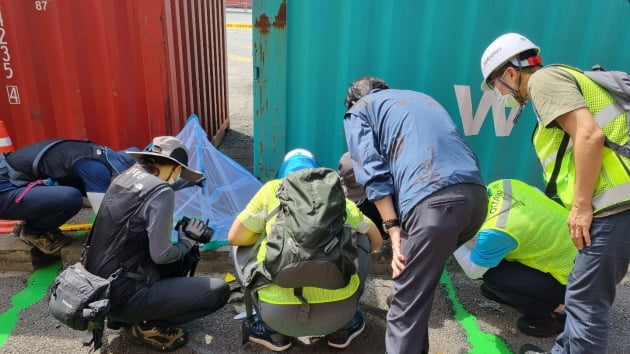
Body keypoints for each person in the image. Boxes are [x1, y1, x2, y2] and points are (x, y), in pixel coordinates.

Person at [479, 33, 630, 354]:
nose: (501, 94)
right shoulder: (556, 82)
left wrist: (581, 207)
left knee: (587, 306)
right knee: (580, 297)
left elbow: (589, 136)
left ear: (510, 73)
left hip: (613, 206)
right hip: (614, 205)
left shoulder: (545, 81)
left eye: (497, 86)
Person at [343, 76, 488, 354]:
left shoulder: (358, 110)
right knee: (414, 293)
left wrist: (393, 229)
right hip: (474, 198)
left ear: (352, 101)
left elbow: (370, 169)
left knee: (404, 309)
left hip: (435, 206)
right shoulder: (421, 99)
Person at [84, 136, 230, 352]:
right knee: (219, 290)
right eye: (179, 172)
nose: (178, 177)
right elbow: (161, 254)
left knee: (180, 258)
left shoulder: (124, 177)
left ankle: (125, 317)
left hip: (98, 288)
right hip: (123, 292)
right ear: (173, 167)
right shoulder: (162, 191)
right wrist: (186, 241)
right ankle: (143, 323)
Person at [228, 148, 383, 352]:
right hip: (339, 313)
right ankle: (343, 330)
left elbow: (234, 237)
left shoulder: (271, 190)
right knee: (362, 238)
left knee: (239, 245)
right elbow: (378, 242)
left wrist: (269, 235)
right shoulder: (336, 197)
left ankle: (273, 334)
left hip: (277, 315)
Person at [453, 179, 577, 338]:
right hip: (587, 257)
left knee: (492, 274)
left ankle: (556, 313)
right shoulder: (501, 185)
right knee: (493, 258)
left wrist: (452, 239)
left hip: (575, 284)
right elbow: (537, 193)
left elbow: (473, 272)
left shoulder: (494, 230)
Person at [0, 138, 139, 254]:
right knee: (70, 198)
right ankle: (33, 231)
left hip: (16, 176)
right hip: (6, 190)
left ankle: (31, 220)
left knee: (74, 190)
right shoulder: (96, 169)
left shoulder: (101, 155)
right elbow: (104, 216)